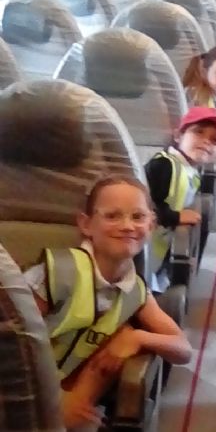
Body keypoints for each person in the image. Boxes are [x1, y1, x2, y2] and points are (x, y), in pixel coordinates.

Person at [23, 175, 193, 430]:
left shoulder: (136, 291)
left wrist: (138, 338)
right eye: (112, 216)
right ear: (86, 224)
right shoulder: (57, 273)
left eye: (138, 217)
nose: (127, 226)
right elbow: (11, 344)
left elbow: (183, 350)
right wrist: (54, 400)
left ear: (151, 225)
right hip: (20, 389)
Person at [145, 107, 216, 271]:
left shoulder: (189, 171)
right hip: (142, 250)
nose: (206, 141)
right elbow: (147, 208)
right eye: (199, 132)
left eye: (215, 141)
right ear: (178, 135)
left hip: (159, 251)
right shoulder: (164, 165)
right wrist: (177, 217)